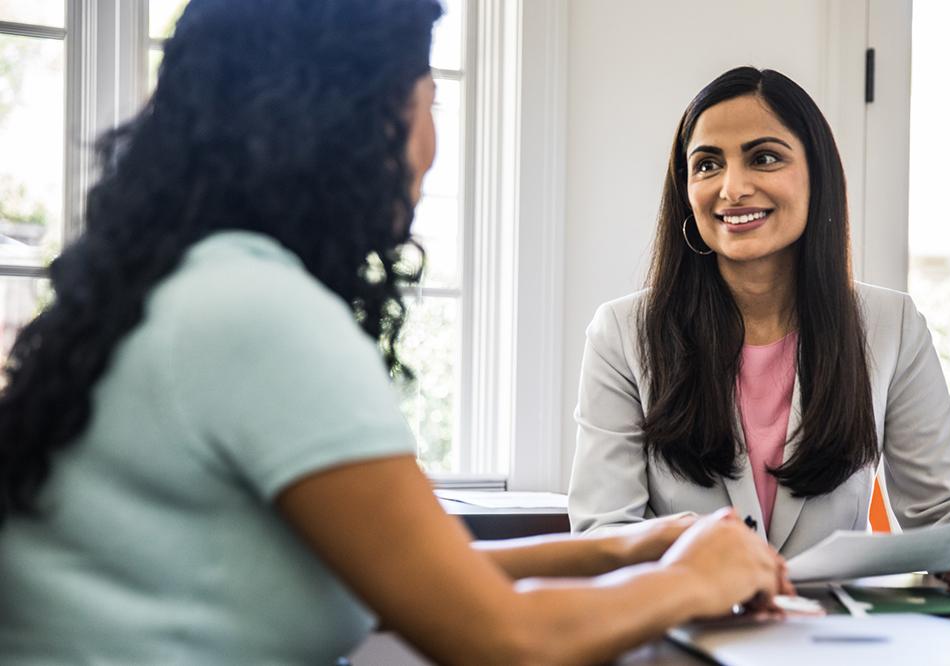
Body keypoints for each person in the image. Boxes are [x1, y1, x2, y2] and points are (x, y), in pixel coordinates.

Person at [0, 3, 792, 663]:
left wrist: (624, 550)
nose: (433, 148)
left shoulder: (190, 283)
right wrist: (695, 578)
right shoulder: (260, 315)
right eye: (429, 102)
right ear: (356, 119)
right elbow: (501, 637)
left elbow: (411, 571)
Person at [568, 66, 950, 596]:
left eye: (764, 157)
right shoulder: (622, 334)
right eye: (707, 165)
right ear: (686, 191)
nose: (733, 187)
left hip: (834, 641)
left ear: (816, 175)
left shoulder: (891, 325)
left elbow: (945, 510)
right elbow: (602, 536)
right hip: (684, 634)